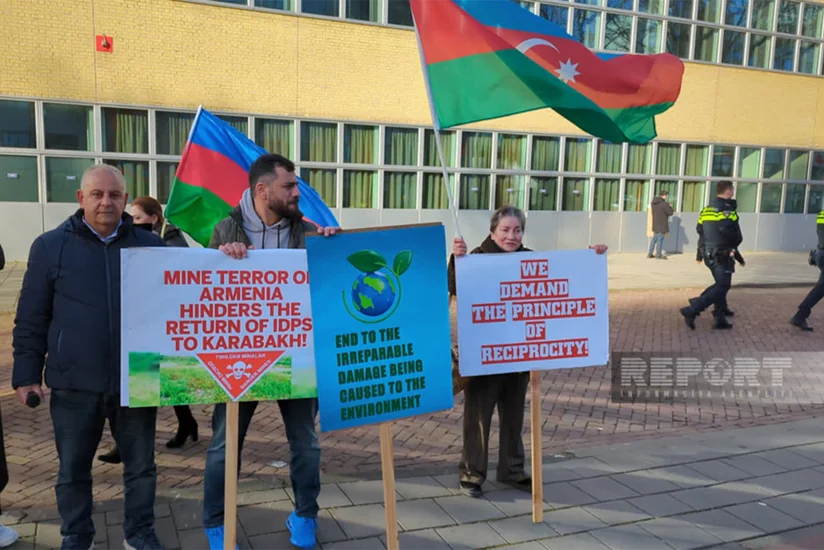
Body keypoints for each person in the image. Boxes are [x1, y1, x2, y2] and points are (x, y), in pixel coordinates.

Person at [12, 164, 166, 550]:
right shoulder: (49, 246)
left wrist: (234, 256)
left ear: (126, 201)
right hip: (74, 379)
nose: (106, 202)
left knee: (142, 468)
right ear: (81, 199)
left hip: (138, 377)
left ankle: (140, 534)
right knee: (73, 470)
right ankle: (77, 536)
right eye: (97, 194)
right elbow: (32, 315)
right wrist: (26, 373)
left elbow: (182, 301)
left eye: (114, 195)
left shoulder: (151, 247)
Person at [202, 153, 338, 550]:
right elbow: (207, 296)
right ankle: (216, 522)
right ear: (262, 190)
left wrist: (333, 249)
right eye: (290, 186)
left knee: (307, 444)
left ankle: (305, 515)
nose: (298, 193)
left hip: (296, 357)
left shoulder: (308, 230)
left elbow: (327, 287)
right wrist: (221, 260)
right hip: (239, 357)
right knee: (224, 445)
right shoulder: (224, 228)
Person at [447, 206, 608, 499]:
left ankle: (512, 469)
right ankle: (472, 474)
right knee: (478, 419)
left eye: (517, 230)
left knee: (514, 419)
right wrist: (457, 260)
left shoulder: (532, 259)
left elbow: (570, 279)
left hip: (521, 358)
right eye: (505, 230)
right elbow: (455, 286)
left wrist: (590, 259)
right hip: (486, 357)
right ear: (492, 231)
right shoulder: (475, 260)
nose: (512, 236)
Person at [97, 196, 199, 465]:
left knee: (147, 381)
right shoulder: (135, 240)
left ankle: (127, 444)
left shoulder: (171, 242)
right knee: (161, 381)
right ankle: (186, 423)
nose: (133, 222)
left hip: (160, 322)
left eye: (139, 218)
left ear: (154, 218)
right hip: (144, 321)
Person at [680, 180, 743, 330]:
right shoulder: (727, 210)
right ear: (728, 191)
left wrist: (699, 254)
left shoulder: (706, 209)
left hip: (709, 253)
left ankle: (719, 317)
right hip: (722, 254)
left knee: (720, 284)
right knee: (723, 285)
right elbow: (728, 232)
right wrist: (736, 243)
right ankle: (694, 308)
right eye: (732, 191)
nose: (732, 193)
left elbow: (700, 232)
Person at [790, 209, 824, 331]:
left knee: (821, 288)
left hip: (821, 252)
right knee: (821, 289)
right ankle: (800, 316)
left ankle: (800, 316)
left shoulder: (822, 213)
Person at [647, 190, 673, 259]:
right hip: (662, 224)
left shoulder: (653, 203)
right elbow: (670, 213)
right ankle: (658, 255)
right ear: (664, 195)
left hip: (655, 224)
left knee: (654, 239)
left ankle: (650, 253)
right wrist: (670, 206)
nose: (666, 196)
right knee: (660, 239)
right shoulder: (664, 204)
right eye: (666, 195)